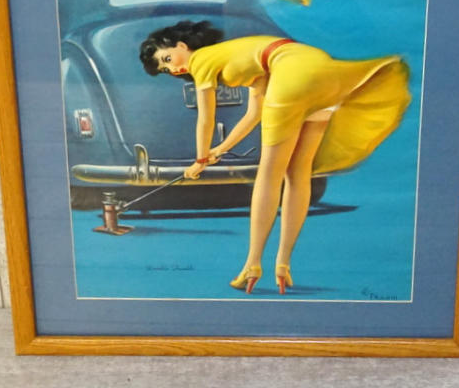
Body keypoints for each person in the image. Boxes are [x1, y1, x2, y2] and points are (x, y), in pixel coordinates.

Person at [140, 20, 411, 294]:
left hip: (293, 74)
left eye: (167, 59)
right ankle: (283, 264)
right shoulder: (242, 58)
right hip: (322, 73)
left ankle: (252, 264)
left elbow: (206, 119)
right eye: (165, 69)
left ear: (182, 45)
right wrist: (217, 151)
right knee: (298, 172)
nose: (173, 69)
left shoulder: (202, 60)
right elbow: (253, 115)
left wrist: (199, 161)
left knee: (269, 174)